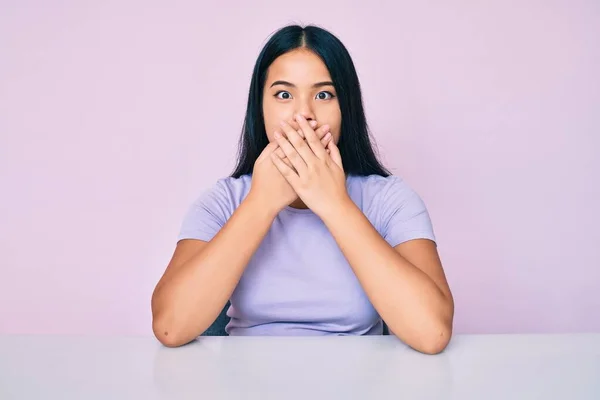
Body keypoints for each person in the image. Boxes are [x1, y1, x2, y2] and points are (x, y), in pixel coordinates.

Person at [151, 24, 454, 354]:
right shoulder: (223, 201)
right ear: (260, 108)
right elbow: (171, 326)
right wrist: (260, 204)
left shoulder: (390, 199)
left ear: (346, 109)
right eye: (284, 95)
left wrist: (334, 204)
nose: (304, 115)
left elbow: (431, 333)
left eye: (324, 95)